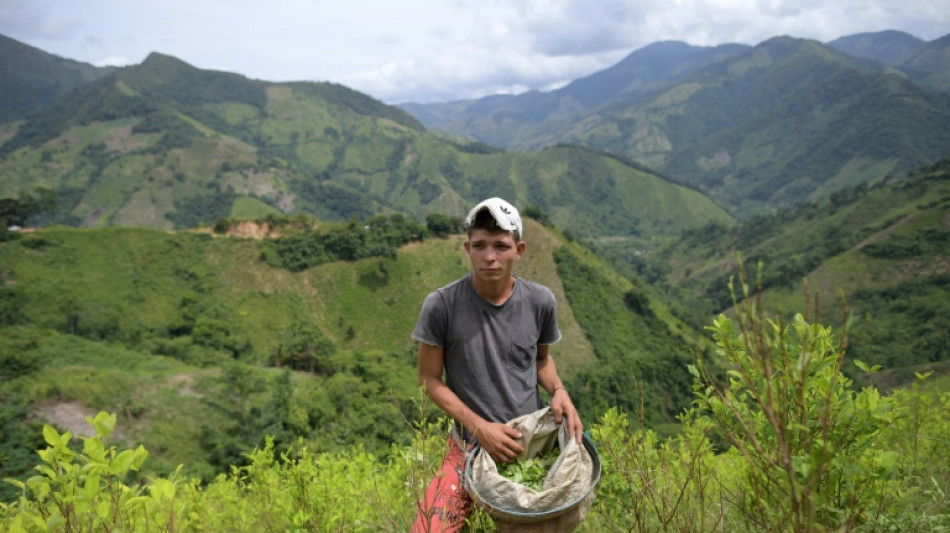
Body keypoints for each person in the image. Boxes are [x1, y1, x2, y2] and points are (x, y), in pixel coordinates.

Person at [411, 197, 583, 532]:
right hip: (467, 446)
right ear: (467, 248)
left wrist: (559, 390)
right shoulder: (441, 305)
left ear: (519, 250)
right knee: (429, 528)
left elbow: (541, 360)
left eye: (501, 246)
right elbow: (429, 380)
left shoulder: (540, 301)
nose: (490, 257)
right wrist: (479, 428)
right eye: (480, 246)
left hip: (525, 443)